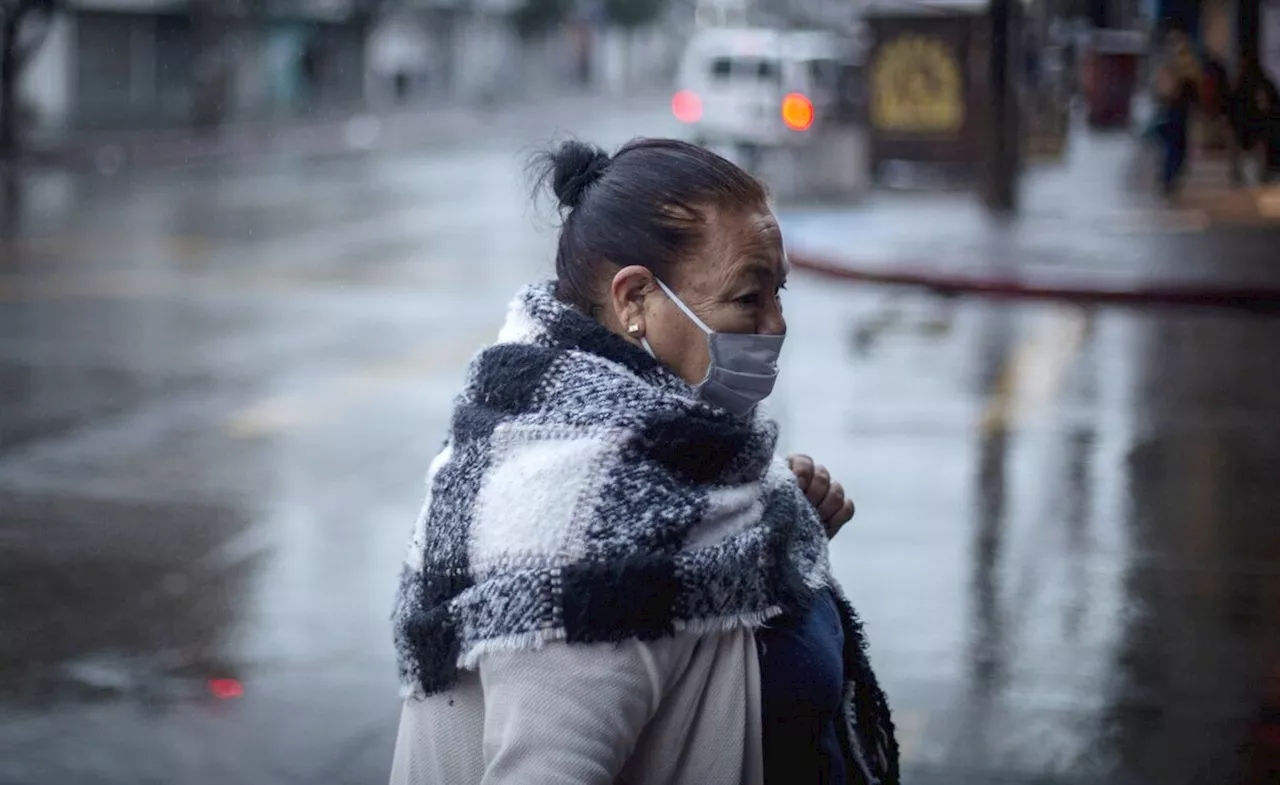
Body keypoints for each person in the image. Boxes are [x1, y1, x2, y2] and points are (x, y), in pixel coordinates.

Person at [389, 138, 899, 785]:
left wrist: (774, 541)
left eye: (780, 292)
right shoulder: (581, 530)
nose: (777, 324)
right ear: (634, 300)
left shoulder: (682, 463)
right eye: (748, 298)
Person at [1151, 25, 1202, 195]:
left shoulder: (1173, 62)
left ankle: (1170, 175)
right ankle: (1170, 175)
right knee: (1176, 143)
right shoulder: (1182, 63)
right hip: (1177, 108)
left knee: (1174, 142)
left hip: (1175, 107)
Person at [1228, 55, 1280, 185]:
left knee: (1238, 149)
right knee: (1261, 148)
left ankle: (1237, 174)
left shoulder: (1240, 83)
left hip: (1243, 124)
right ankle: (1263, 173)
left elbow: (1232, 104)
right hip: (1260, 123)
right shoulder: (1264, 83)